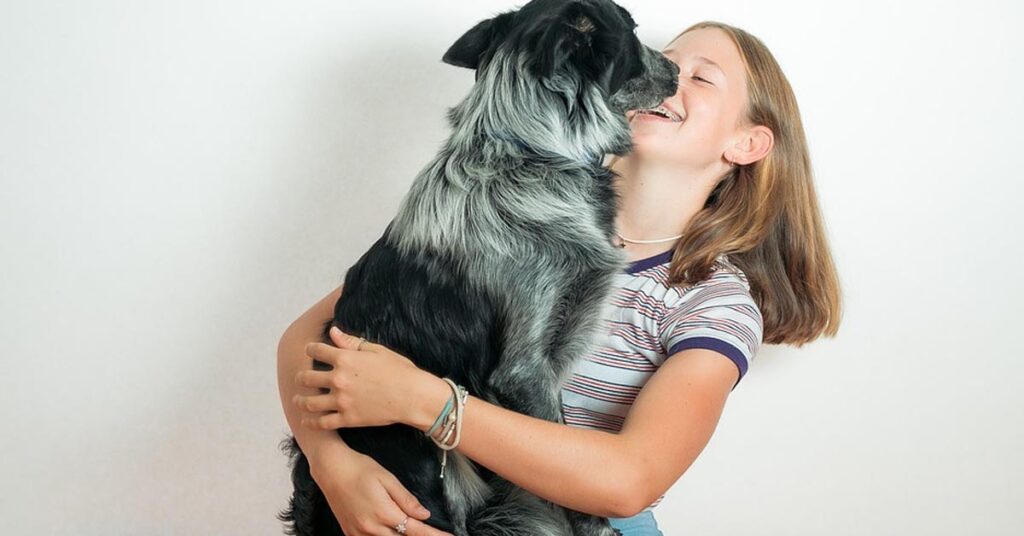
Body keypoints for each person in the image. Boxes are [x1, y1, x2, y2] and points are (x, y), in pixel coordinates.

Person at [278, 20, 842, 536]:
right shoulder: (503, 212)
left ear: (747, 143)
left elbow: (629, 481)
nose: (668, 76)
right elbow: (306, 340)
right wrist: (333, 462)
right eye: (661, 59)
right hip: (456, 506)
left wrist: (426, 403)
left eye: (702, 78)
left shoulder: (711, 302)